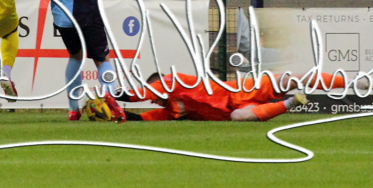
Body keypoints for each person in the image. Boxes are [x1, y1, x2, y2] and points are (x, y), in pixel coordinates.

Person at [121, 71, 326, 122]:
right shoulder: (172, 111)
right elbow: (141, 118)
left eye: (153, 92)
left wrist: (107, 94)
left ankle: (346, 83)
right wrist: (114, 113)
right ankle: (291, 102)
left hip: (242, 89)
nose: (151, 99)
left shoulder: (174, 81)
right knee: (239, 117)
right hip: (235, 109)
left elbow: (136, 95)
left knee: (291, 79)